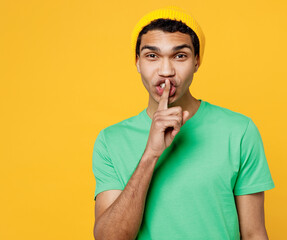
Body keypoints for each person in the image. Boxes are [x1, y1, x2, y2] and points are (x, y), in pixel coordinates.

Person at [92, 6, 275, 240]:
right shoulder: (110, 140)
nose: (166, 71)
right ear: (137, 62)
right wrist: (150, 154)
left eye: (180, 56)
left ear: (197, 61)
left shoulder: (239, 131)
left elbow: (254, 233)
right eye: (152, 56)